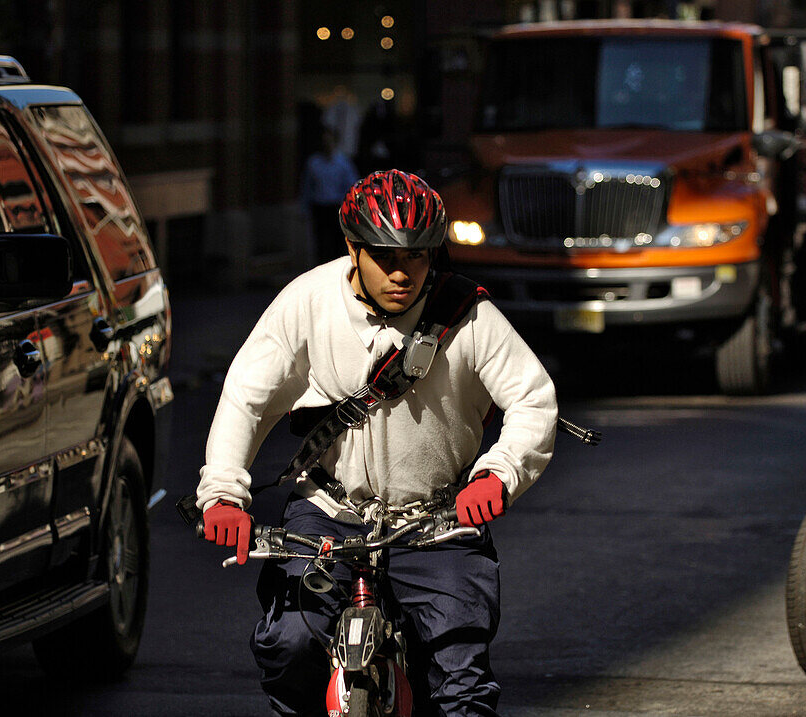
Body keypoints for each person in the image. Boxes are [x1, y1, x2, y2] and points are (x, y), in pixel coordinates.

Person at [196, 169, 558, 716]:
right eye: (384, 255)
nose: (401, 272)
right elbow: (247, 397)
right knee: (291, 646)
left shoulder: (469, 315)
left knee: (462, 686)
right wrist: (223, 492)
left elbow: (533, 397)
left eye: (416, 257)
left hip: (436, 519)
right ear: (352, 248)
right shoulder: (308, 301)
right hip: (328, 513)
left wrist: (499, 473)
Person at [299, 127, 359, 265]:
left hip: (336, 207)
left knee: (338, 242)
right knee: (320, 242)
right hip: (320, 206)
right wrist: (305, 208)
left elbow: (351, 186)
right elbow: (307, 187)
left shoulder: (343, 163)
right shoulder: (313, 163)